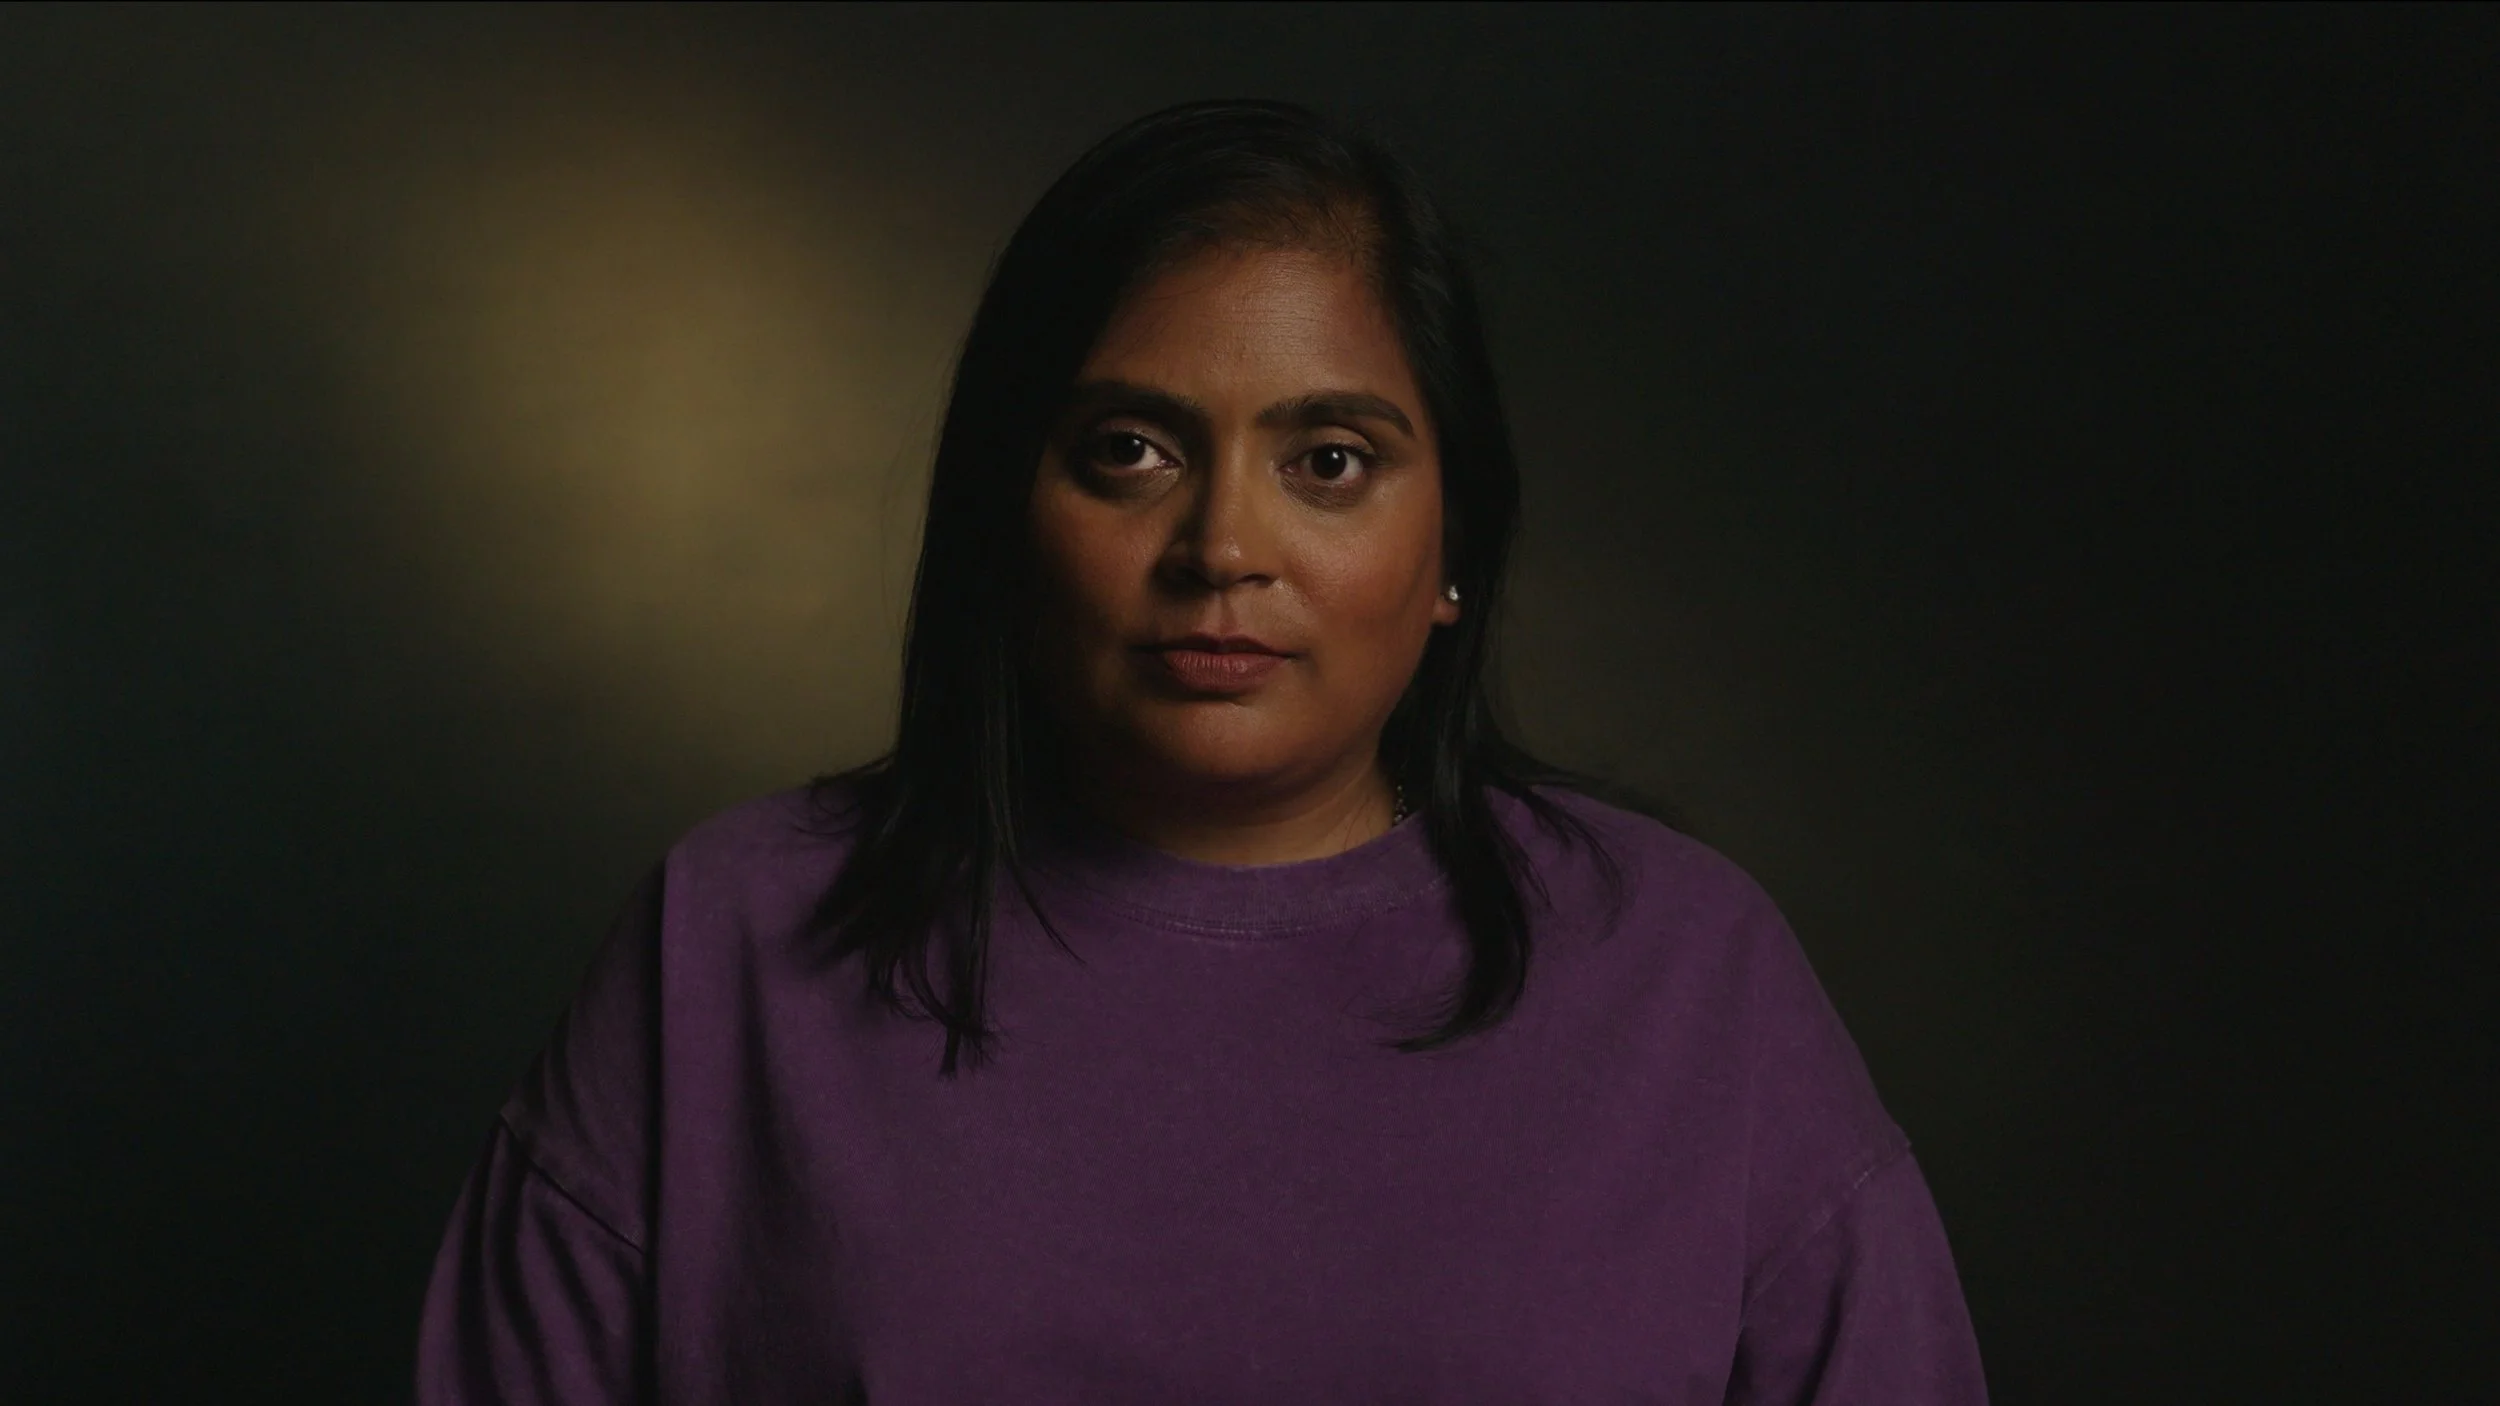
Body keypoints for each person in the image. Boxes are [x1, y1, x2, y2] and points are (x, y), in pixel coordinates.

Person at [415, 98, 1988, 1404]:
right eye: (1132, 451)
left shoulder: (1684, 974)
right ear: (1007, 521)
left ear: (1454, 549)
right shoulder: (734, 945)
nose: (1223, 542)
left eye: (1329, 459)